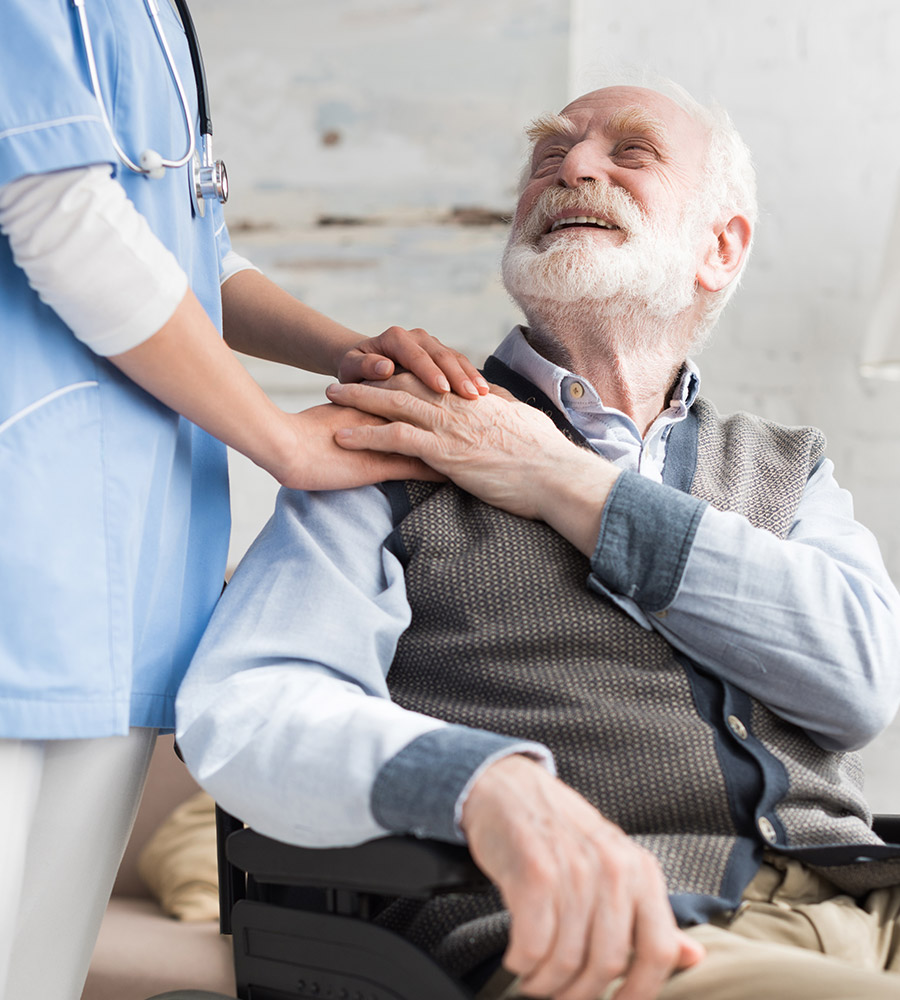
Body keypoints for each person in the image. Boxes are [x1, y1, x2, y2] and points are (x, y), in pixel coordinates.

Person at [177, 80, 900, 1000]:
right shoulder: (395, 434)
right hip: (609, 938)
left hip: (866, 902)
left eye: (630, 152)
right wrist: (481, 785)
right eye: (549, 153)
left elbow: (858, 680)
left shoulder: (787, 467)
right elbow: (247, 706)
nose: (574, 166)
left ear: (721, 248)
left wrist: (565, 482)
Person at [0, 4, 488, 999]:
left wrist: (347, 351)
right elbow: (59, 212)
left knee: (38, 976)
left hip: (127, 585)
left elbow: (188, 255)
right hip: (29, 545)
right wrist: (283, 440)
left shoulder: (156, 23)